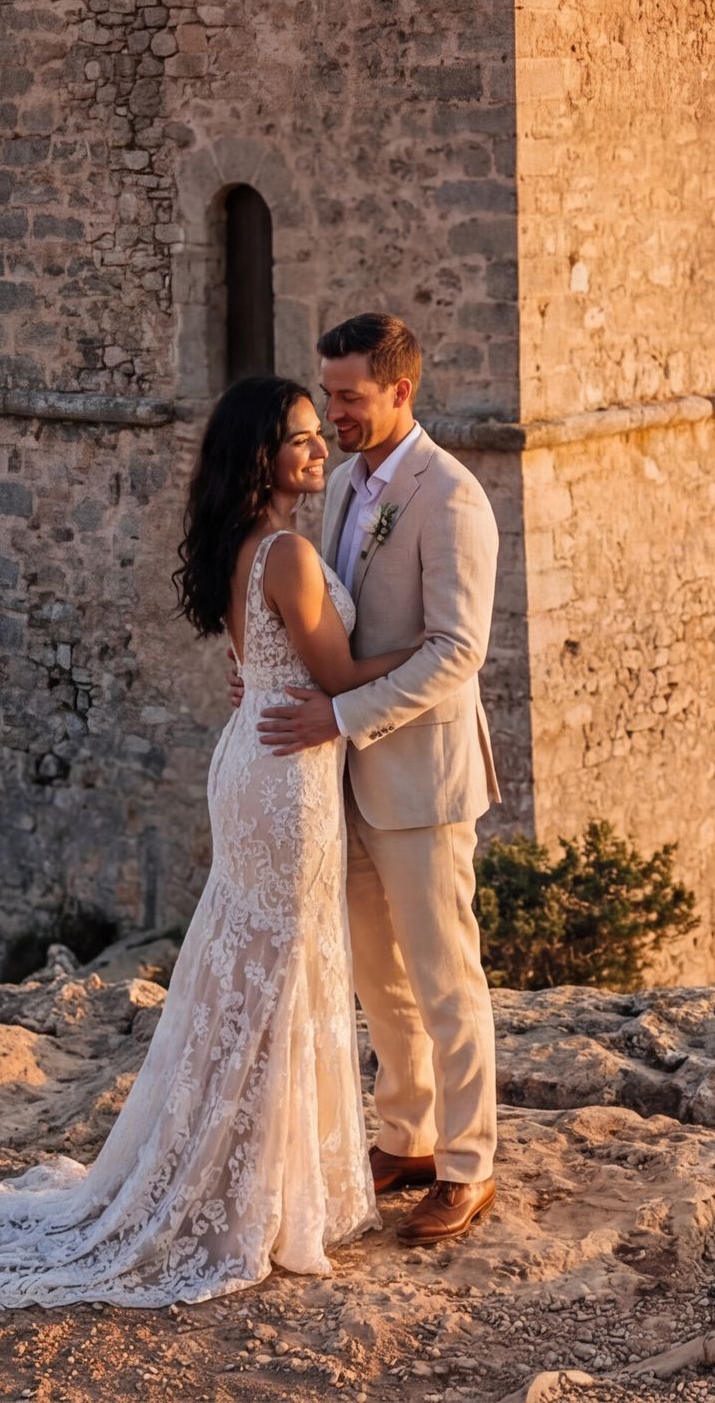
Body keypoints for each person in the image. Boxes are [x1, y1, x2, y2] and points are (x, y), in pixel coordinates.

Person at [0, 376, 401, 1305]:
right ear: (263, 454)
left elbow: (266, 662)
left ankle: (243, 1174)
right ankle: (254, 1189)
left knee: (254, 958)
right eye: (300, 437)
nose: (318, 448)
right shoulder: (287, 552)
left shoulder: (246, 545)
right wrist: (433, 655)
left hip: (256, 753)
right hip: (285, 777)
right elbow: (333, 671)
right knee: (281, 963)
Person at [256, 312, 504, 1248]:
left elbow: (456, 650)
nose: (334, 413)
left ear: (402, 389)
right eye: (328, 394)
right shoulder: (347, 484)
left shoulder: (452, 498)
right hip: (346, 775)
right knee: (375, 970)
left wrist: (341, 715)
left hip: (421, 778)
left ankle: (470, 1163)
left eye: (350, 397)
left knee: (446, 975)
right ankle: (407, 1133)